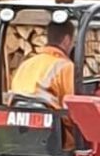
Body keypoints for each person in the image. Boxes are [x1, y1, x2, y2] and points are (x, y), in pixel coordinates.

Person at [9, 20, 76, 148]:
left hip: (22, 137)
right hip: (57, 141)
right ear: (67, 40)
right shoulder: (65, 67)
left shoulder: (26, 64)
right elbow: (72, 109)